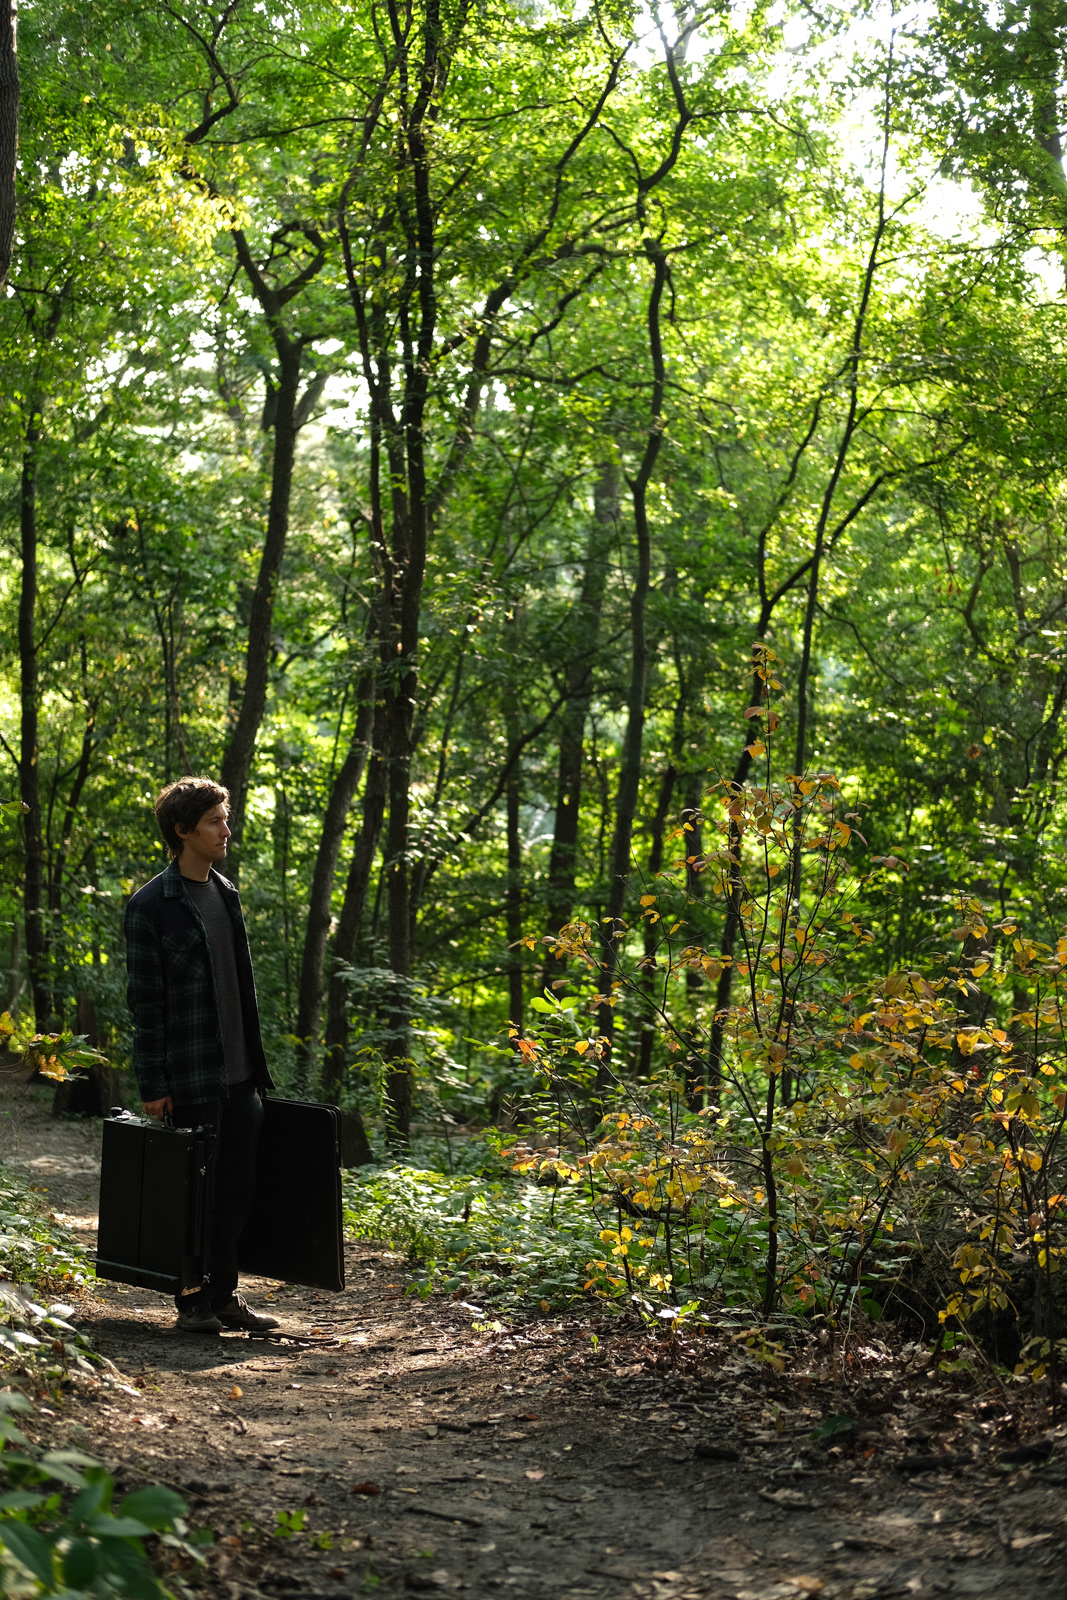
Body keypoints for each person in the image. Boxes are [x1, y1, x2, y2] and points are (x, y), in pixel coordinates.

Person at [124, 777, 280, 1335]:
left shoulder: (226, 893)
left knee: (238, 1189)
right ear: (182, 830)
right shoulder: (150, 907)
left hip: (241, 1076)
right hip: (189, 1078)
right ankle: (190, 1303)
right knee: (193, 1193)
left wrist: (257, 1072)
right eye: (215, 821)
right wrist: (153, 1084)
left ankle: (224, 1296)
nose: (225, 829)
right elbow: (146, 1005)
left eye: (226, 817)